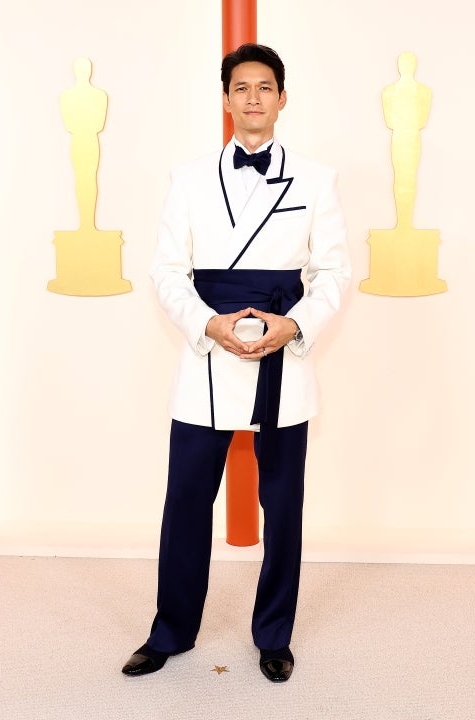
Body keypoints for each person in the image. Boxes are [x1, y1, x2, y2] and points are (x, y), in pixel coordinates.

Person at [122, 43, 350, 683]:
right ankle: (170, 632)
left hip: (283, 349)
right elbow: (167, 271)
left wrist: (294, 324)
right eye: (241, 87)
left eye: (264, 87)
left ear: (282, 98)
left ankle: (274, 635)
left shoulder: (317, 179)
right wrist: (207, 323)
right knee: (186, 500)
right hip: (209, 352)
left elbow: (333, 273)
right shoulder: (189, 178)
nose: (253, 97)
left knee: (284, 505)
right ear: (226, 100)